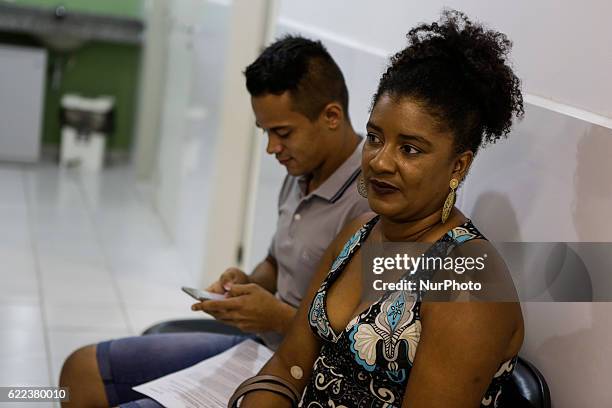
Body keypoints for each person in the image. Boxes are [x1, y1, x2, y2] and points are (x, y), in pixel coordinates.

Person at [59, 35, 370, 407]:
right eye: (266, 132)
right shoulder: (301, 171)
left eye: (282, 132)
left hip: (306, 372)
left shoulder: (369, 203)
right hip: (261, 346)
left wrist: (275, 318)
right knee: (79, 371)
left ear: (331, 117)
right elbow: (275, 261)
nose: (272, 147)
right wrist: (246, 285)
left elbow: (358, 349)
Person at [238, 10, 525, 408]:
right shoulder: (358, 232)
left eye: (409, 149)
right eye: (375, 137)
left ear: (458, 165)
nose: (379, 161)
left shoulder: (466, 279)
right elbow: (288, 366)